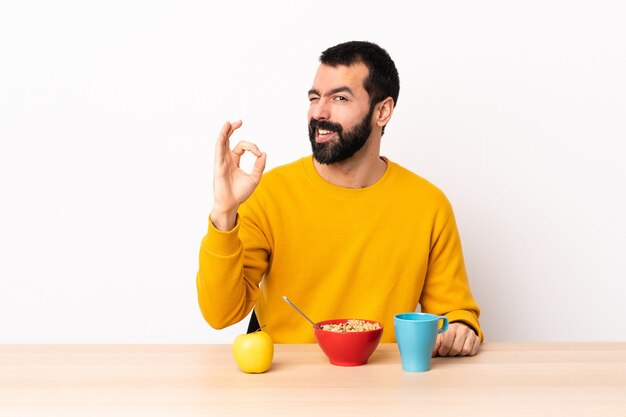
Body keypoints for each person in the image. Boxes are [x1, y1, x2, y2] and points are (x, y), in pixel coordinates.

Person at [196, 41, 482, 357]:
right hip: (286, 387)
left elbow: (454, 312)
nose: (319, 111)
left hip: (384, 388)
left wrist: (460, 329)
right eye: (314, 98)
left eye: (340, 98)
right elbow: (220, 314)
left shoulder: (428, 205)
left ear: (382, 111)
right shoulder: (269, 194)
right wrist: (224, 212)